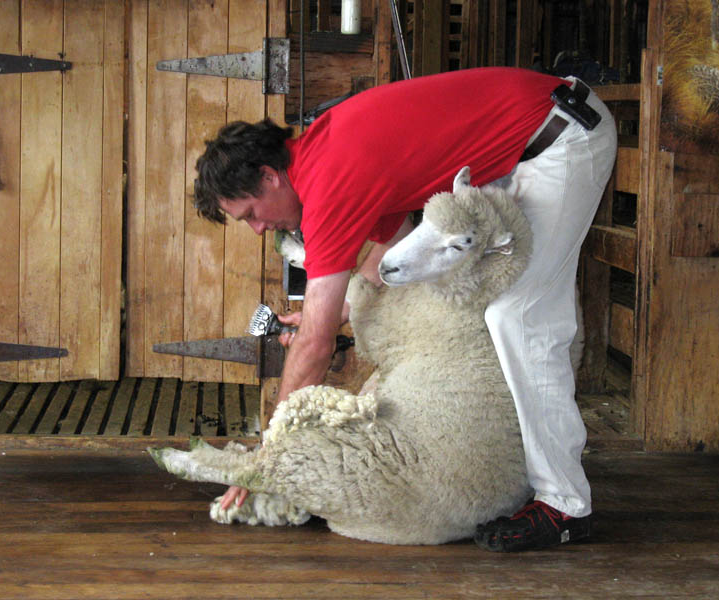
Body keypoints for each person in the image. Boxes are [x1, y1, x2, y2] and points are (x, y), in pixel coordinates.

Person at [192, 67, 617, 552]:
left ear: (269, 177)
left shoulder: (327, 183)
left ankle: (564, 503)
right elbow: (387, 264)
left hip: (562, 137)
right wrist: (337, 312)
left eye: (250, 214)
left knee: (517, 316)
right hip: (530, 140)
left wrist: (269, 453)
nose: (258, 229)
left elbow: (315, 345)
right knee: (510, 311)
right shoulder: (322, 157)